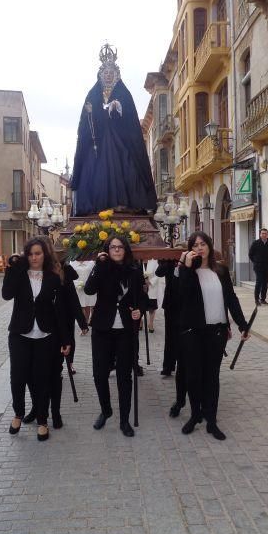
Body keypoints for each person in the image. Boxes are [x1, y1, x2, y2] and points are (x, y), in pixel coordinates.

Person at [70, 44, 157, 215]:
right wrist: (92, 113)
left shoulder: (124, 93)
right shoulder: (92, 94)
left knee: (126, 167)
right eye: (106, 73)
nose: (108, 75)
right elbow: (85, 121)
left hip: (120, 140)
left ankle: (123, 202)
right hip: (98, 142)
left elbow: (130, 117)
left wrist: (119, 106)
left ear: (116, 75)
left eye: (112, 73)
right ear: (101, 75)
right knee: (95, 170)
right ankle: (99, 205)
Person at [178, 231, 249, 441]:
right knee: (193, 376)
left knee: (211, 377)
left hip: (216, 331)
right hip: (193, 331)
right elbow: (184, 294)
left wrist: (242, 324)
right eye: (195, 245)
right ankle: (194, 415)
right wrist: (187, 267)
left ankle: (211, 420)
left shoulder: (221, 271)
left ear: (209, 245)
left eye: (202, 244)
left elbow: (231, 299)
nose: (200, 247)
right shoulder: (187, 271)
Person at [2, 238, 70, 442]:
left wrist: (65, 339)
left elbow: (60, 312)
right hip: (20, 335)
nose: (34, 257)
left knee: (42, 379)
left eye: (38, 253)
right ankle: (18, 414)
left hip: (46, 336)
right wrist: (12, 268)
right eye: (30, 254)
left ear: (45, 255)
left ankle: (42, 420)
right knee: (18, 377)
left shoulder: (53, 277)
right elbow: (6, 295)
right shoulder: (19, 274)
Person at [84, 234, 145, 437]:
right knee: (99, 374)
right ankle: (106, 410)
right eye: (112, 247)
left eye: (120, 247)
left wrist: (139, 311)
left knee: (124, 377)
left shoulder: (135, 270)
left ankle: (124, 419)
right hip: (103, 328)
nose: (117, 250)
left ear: (125, 250)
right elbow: (89, 289)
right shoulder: (102, 269)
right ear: (107, 251)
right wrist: (98, 265)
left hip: (126, 331)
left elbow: (142, 298)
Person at [22, 259, 88, 429]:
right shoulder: (30, 271)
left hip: (58, 331)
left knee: (54, 374)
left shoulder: (61, 272)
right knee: (31, 375)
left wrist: (82, 322)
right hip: (32, 333)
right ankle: (36, 408)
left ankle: (56, 412)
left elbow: (73, 299)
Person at [156, 257, 189, 418]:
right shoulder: (168, 264)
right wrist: (167, 262)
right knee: (170, 339)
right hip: (170, 305)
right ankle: (168, 366)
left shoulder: (188, 266)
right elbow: (158, 272)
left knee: (182, 340)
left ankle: (182, 365)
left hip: (185, 307)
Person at [249, 228, 268, 306]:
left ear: (267, 234)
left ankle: (263, 299)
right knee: (259, 282)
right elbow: (250, 254)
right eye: (262, 233)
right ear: (260, 234)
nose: (264, 235)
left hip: (267, 266)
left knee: (265, 283)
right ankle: (256, 300)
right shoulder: (255, 243)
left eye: (265, 233)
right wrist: (255, 262)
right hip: (258, 266)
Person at [70, 259, 96, 326]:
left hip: (90, 287)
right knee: (82, 306)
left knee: (92, 305)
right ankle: (84, 324)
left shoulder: (91, 263)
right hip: (79, 288)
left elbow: (95, 274)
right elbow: (70, 277)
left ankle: (92, 322)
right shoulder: (72, 263)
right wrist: (77, 284)